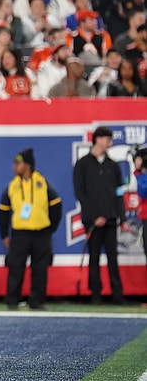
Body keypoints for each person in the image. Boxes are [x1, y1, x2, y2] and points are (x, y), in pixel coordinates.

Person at [0, 148, 62, 310]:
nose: (14, 167)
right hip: (20, 233)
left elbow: (56, 206)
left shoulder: (43, 182)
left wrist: (50, 228)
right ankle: (12, 300)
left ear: (27, 165)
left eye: (18, 163)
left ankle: (37, 301)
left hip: (41, 233)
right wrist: (4, 235)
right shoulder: (12, 186)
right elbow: (3, 211)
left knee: (40, 268)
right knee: (15, 267)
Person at [73, 126, 129, 305]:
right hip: (92, 222)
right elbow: (80, 193)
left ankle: (117, 294)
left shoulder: (113, 166)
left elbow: (119, 193)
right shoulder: (82, 164)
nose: (109, 143)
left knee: (113, 258)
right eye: (107, 139)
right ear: (97, 139)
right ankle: (95, 294)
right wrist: (94, 216)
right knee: (94, 257)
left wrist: (122, 218)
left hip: (111, 219)